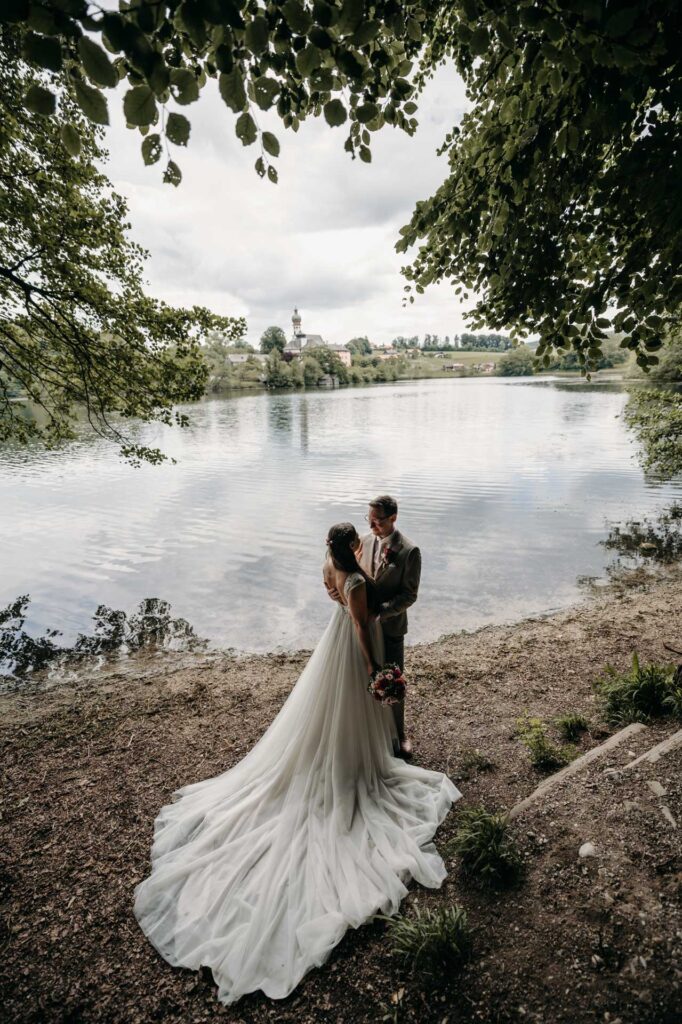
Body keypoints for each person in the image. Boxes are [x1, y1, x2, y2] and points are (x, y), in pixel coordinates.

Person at [133, 523, 461, 1006]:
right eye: (359, 540)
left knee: (327, 715)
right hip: (353, 648)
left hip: (335, 641)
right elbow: (356, 621)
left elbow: (335, 592)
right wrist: (374, 667)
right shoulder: (352, 580)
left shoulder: (330, 565)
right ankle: (350, 768)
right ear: (352, 546)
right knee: (347, 711)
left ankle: (346, 757)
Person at [325, 496, 420, 760]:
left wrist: (380, 612)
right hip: (360, 628)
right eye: (369, 519)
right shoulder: (362, 542)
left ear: (393, 518)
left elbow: (409, 596)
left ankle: (400, 735)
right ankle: (370, 737)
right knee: (361, 681)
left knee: (393, 679)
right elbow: (346, 573)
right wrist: (337, 593)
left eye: (377, 520)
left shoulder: (409, 551)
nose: (372, 525)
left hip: (389, 626)